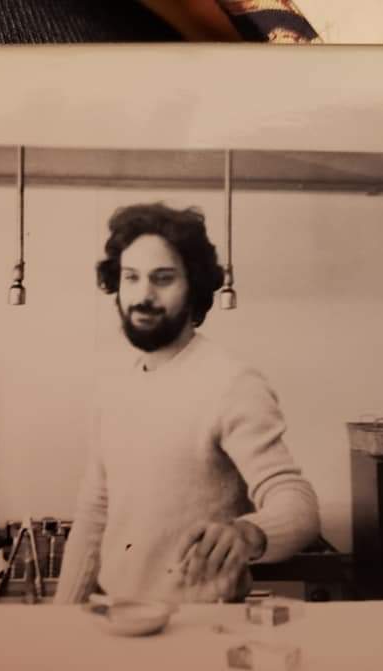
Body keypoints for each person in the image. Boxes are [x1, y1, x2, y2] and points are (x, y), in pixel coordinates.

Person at [54, 203, 320, 604]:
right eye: (131, 277)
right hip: (116, 616)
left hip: (202, 623)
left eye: (163, 279)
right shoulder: (113, 388)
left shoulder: (231, 383)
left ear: (193, 286)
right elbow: (94, 514)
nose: (144, 295)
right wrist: (62, 618)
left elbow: (297, 503)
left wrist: (249, 533)